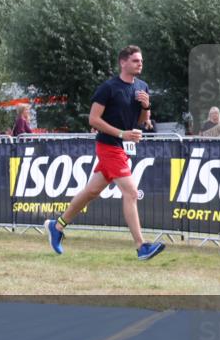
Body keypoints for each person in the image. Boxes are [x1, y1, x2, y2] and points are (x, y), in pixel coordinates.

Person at [44, 46, 165, 261]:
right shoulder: (108, 88)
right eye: (136, 60)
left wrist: (146, 108)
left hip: (122, 148)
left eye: (141, 60)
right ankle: (141, 247)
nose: (140, 64)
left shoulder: (142, 87)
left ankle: (57, 225)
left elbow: (140, 121)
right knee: (131, 192)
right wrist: (121, 133)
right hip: (109, 146)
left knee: (91, 191)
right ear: (123, 63)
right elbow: (93, 120)